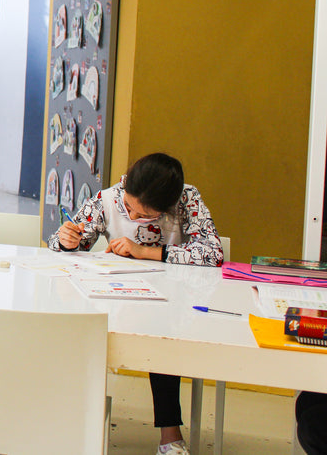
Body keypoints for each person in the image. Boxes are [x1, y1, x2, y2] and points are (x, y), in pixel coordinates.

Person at [48, 152, 224, 455]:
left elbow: (212, 254)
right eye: (129, 208)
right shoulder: (109, 199)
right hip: (117, 302)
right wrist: (66, 241)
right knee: (73, 329)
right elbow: (64, 246)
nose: (132, 217)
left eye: (145, 216)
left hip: (173, 307)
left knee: (162, 333)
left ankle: (170, 436)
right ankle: (70, 425)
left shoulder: (187, 200)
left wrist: (145, 251)